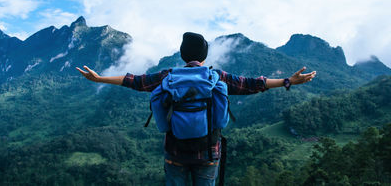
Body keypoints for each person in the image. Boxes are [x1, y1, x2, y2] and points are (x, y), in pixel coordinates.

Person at [77, 32, 316, 186]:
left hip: (175, 153)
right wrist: (288, 81)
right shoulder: (216, 77)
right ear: (204, 56)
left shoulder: (167, 76)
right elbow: (253, 84)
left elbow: (135, 81)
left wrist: (101, 80)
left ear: (182, 55)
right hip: (208, 154)